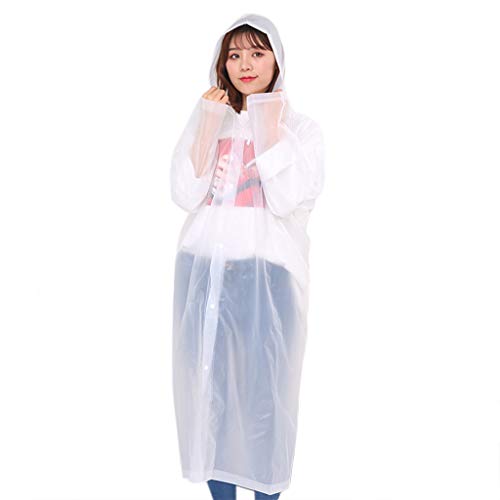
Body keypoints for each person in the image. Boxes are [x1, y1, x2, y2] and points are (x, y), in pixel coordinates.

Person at [170, 13, 325, 500]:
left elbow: (287, 200)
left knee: (265, 400)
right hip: (204, 271)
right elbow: (184, 193)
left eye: (257, 53)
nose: (245, 65)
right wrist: (205, 126)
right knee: (210, 395)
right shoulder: (211, 119)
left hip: (268, 279)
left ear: (277, 60)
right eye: (234, 55)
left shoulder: (301, 130)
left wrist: (270, 129)